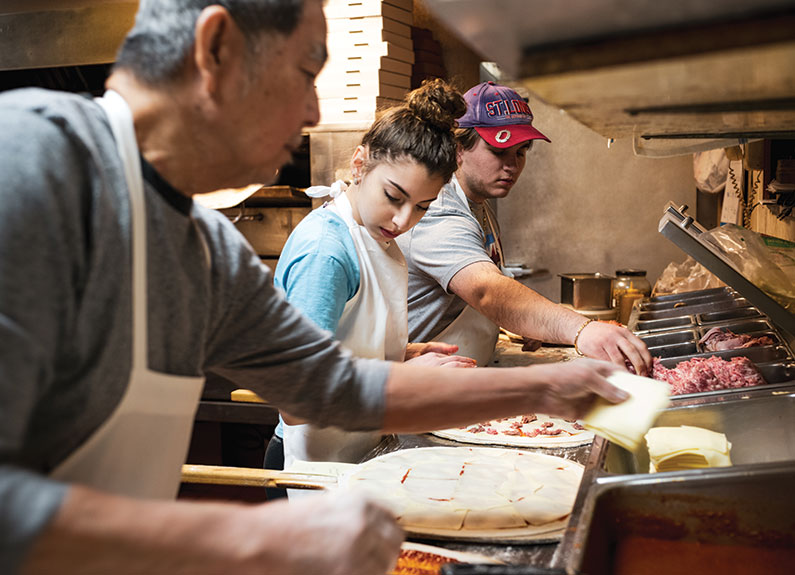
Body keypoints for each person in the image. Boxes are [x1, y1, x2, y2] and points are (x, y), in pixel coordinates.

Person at [0, 3, 629, 574]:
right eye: (306, 74)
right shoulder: (32, 161)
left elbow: (330, 386)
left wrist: (550, 388)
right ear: (215, 47)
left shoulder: (204, 249)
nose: (311, 113)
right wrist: (252, 539)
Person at [266, 79, 475, 498]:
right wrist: (403, 377)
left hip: (357, 456)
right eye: (393, 196)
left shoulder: (372, 233)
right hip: (314, 473)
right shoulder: (326, 251)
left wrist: (400, 353)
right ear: (360, 165)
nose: (402, 220)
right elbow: (296, 399)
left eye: (421, 207)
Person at [397, 81, 653, 374]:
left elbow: (493, 286)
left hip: (459, 372)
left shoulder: (478, 203)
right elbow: (486, 290)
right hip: (417, 379)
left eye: (521, 151)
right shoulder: (437, 209)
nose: (512, 165)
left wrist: (530, 320)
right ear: (459, 149)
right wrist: (582, 330)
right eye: (498, 150)